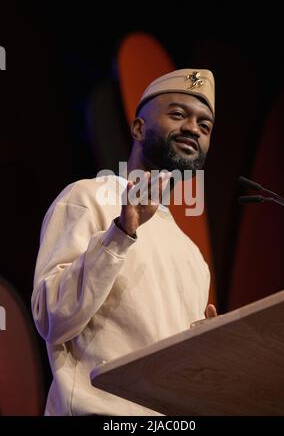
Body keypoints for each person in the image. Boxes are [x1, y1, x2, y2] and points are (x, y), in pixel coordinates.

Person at [31, 68, 217, 416]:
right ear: (138, 128)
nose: (193, 128)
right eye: (178, 114)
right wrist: (120, 233)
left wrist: (203, 345)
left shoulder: (193, 258)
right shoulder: (88, 197)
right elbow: (52, 319)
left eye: (205, 126)